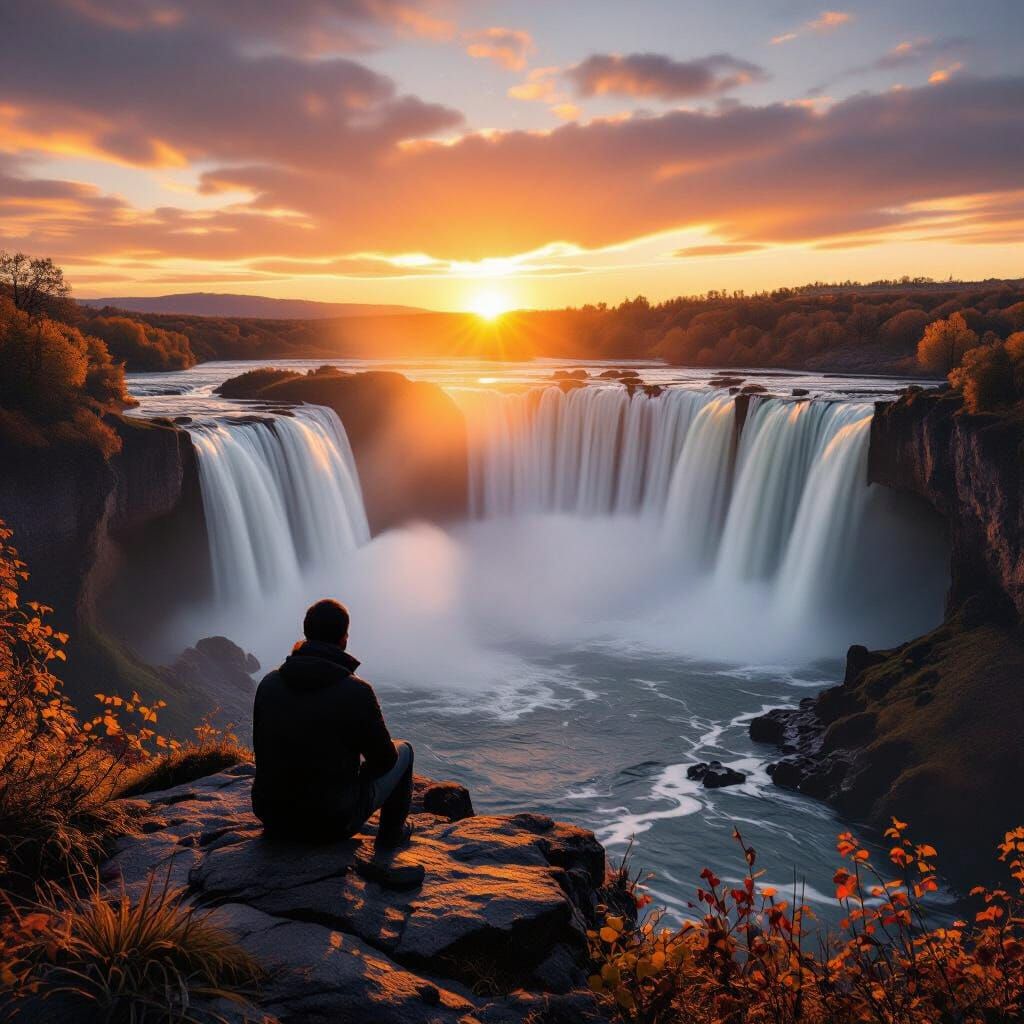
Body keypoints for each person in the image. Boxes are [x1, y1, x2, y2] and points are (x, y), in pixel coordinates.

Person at [252, 598, 414, 848]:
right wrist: (357, 778)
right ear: (344, 639)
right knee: (404, 751)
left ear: (306, 633)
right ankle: (391, 837)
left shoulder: (269, 683)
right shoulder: (356, 691)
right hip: (331, 822)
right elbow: (385, 761)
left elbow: (262, 749)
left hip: (273, 816)